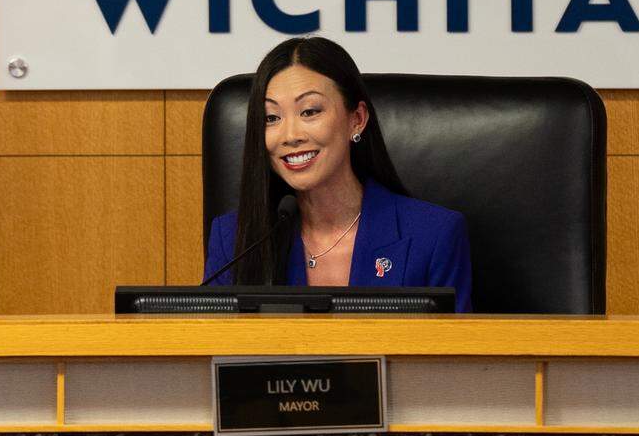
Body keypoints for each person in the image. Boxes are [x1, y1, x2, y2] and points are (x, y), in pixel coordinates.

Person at [202, 36, 473, 312]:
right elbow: (212, 349)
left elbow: (453, 353)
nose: (290, 136)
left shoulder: (434, 235)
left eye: (309, 111)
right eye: (271, 118)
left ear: (357, 119)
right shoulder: (234, 241)